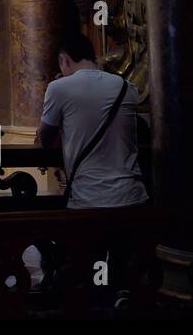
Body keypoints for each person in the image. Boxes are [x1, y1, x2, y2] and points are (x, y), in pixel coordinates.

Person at [36, 32, 148, 210]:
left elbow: (45, 137)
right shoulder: (127, 87)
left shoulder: (58, 88)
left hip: (89, 198)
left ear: (64, 60)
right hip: (132, 195)